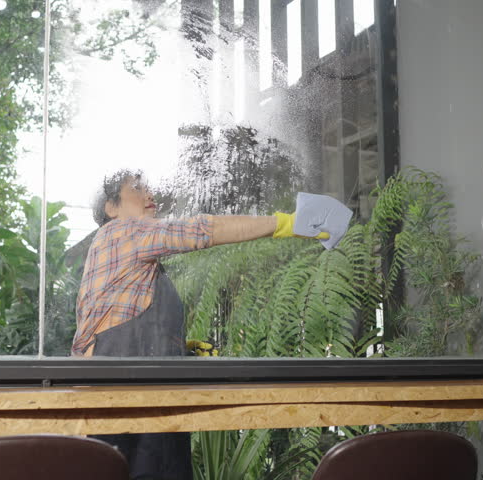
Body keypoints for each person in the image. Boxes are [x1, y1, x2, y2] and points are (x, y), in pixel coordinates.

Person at [73, 170, 329, 480]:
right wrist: (286, 223)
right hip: (128, 401)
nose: (149, 194)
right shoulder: (121, 232)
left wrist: (178, 349)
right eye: (137, 188)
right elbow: (200, 229)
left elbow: (124, 322)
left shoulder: (125, 255)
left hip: (141, 396)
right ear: (111, 208)